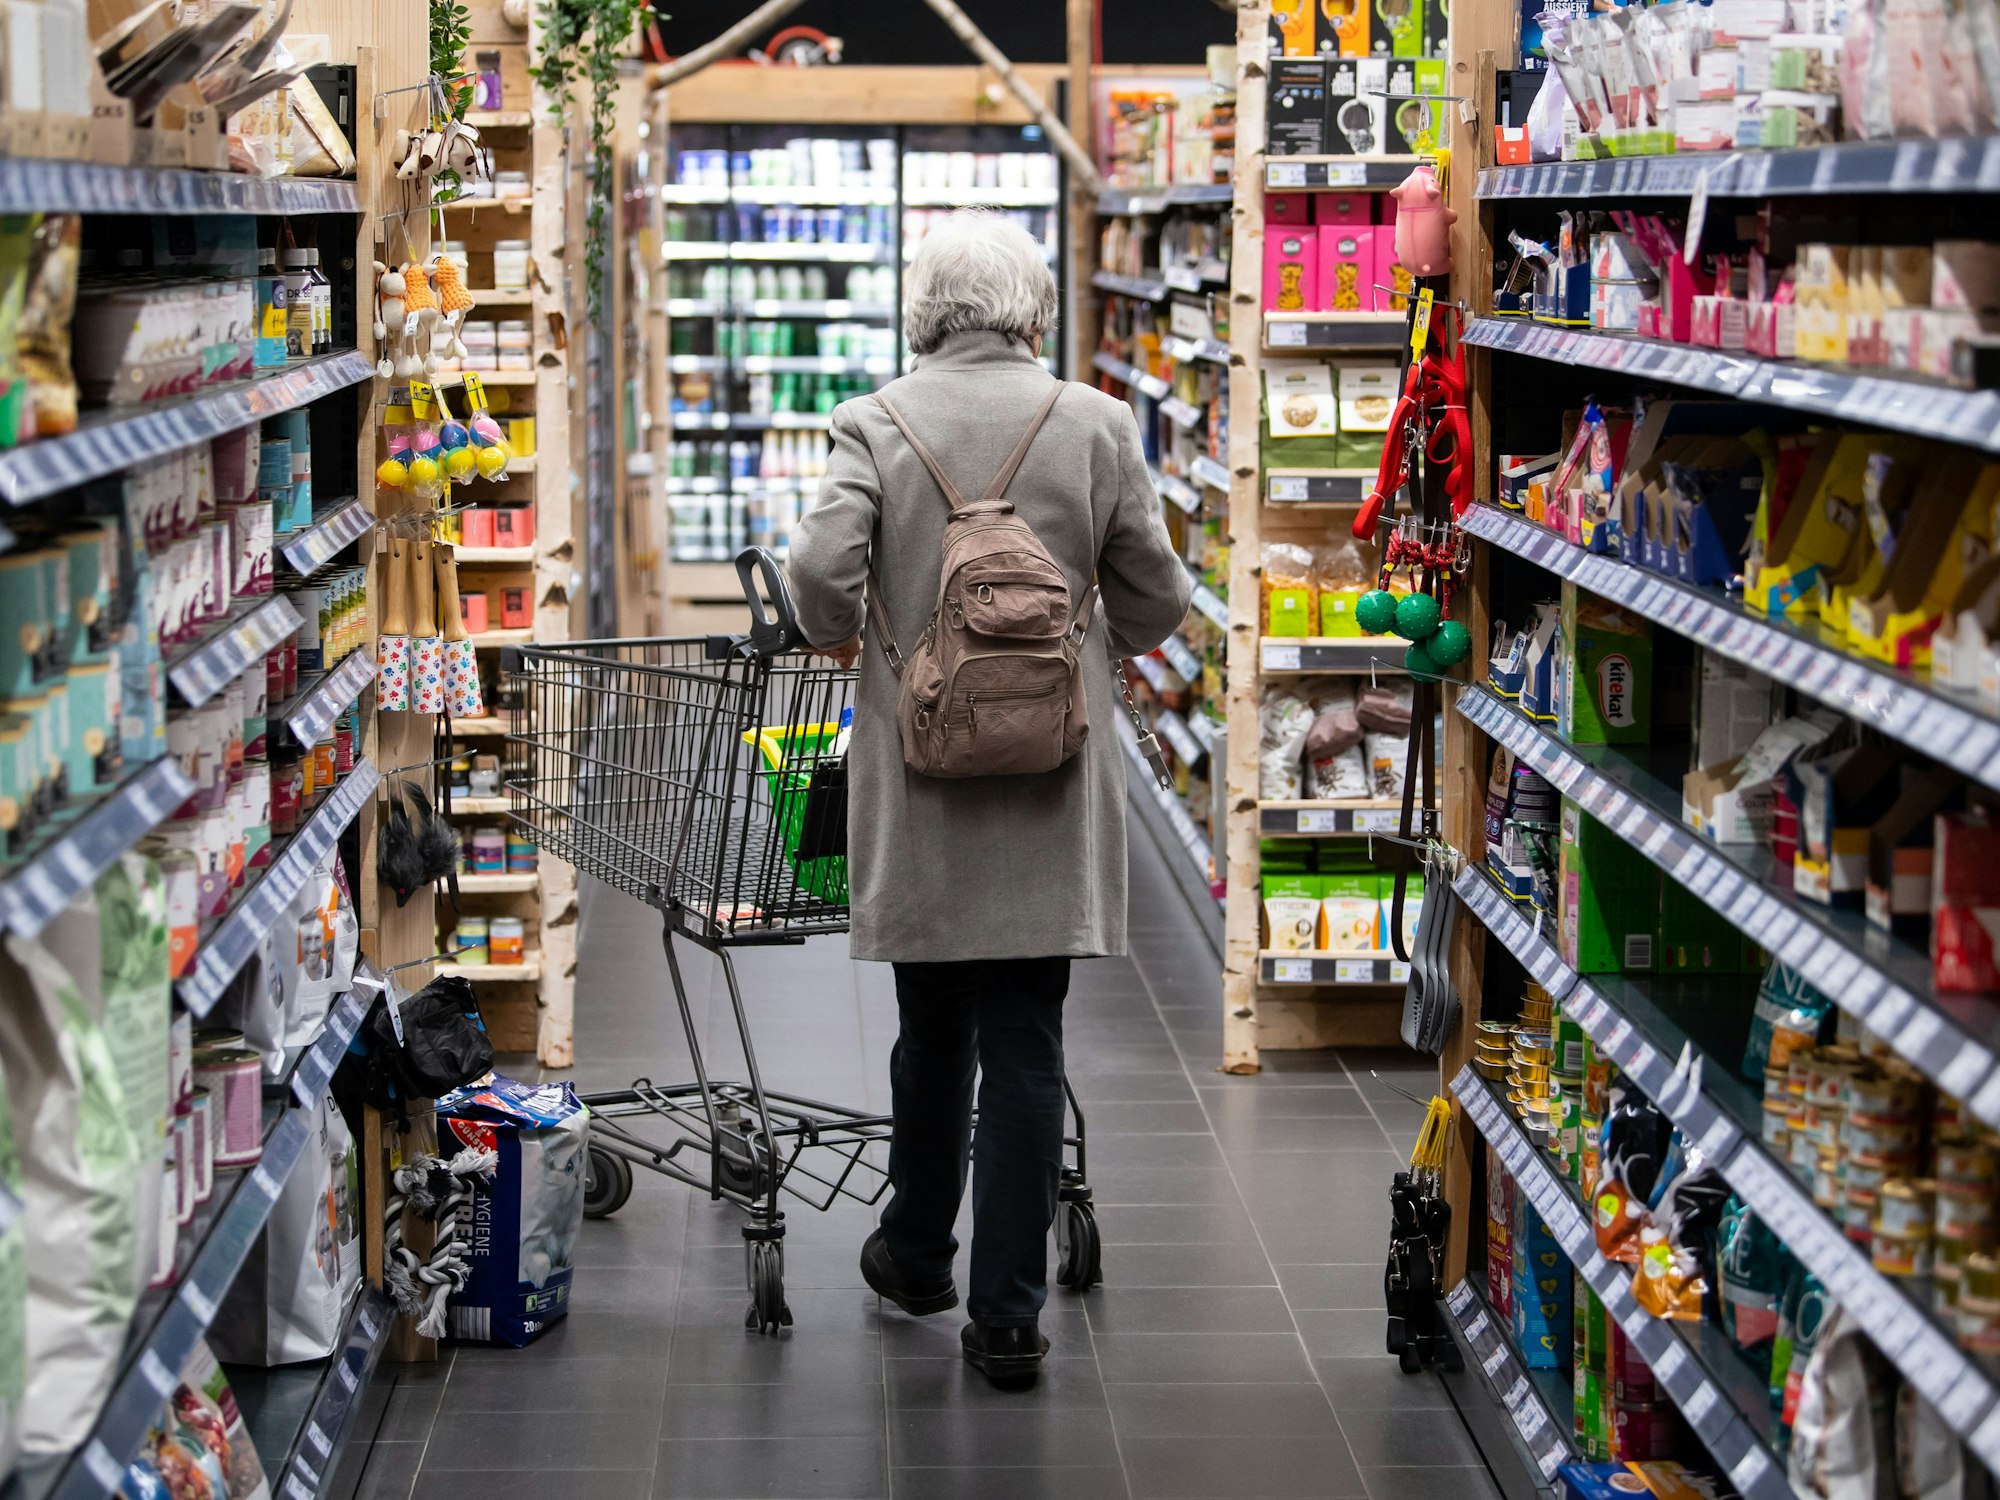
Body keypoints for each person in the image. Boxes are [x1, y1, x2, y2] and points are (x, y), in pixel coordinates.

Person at [786, 211, 1190, 1382]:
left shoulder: (873, 421)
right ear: (1031, 310)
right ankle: (1006, 1317)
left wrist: (853, 633)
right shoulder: (1096, 423)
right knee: (1026, 1037)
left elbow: (820, 576)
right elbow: (1157, 602)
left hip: (919, 785)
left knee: (932, 1029)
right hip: (1050, 783)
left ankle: (915, 1252)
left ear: (922, 313)